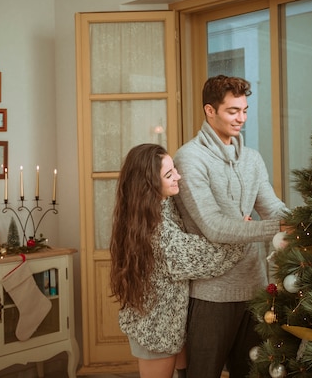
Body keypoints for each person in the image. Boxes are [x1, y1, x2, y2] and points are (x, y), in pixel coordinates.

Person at [173, 75, 289, 378]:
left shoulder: (252, 159)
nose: (241, 119)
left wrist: (301, 220)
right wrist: (277, 226)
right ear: (209, 111)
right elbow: (214, 227)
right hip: (211, 293)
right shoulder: (189, 158)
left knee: (254, 373)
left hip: (255, 288)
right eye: (232, 111)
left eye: (245, 110)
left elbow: (272, 207)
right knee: (202, 374)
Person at [110, 143, 245, 378]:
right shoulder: (156, 230)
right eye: (169, 174)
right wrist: (243, 234)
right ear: (148, 183)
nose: (178, 177)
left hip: (167, 322)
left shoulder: (151, 209)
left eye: (175, 170)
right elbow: (206, 257)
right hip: (156, 328)